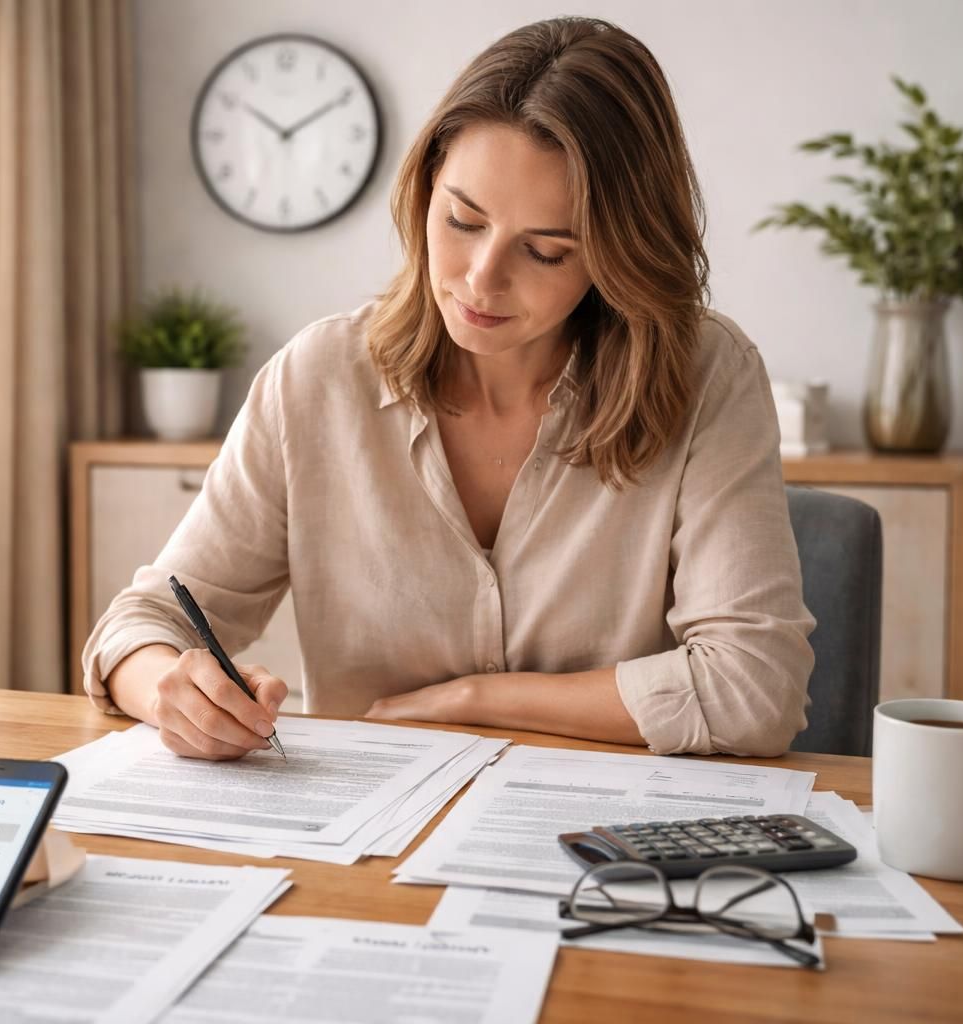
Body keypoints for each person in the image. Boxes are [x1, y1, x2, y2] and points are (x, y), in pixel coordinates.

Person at [82, 17, 814, 761]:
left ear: (617, 254)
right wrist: (172, 690)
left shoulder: (707, 375)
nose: (481, 278)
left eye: (545, 251)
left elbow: (757, 688)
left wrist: (474, 700)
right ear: (426, 187)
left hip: (605, 850)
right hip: (364, 850)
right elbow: (140, 626)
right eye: (462, 219)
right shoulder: (317, 381)